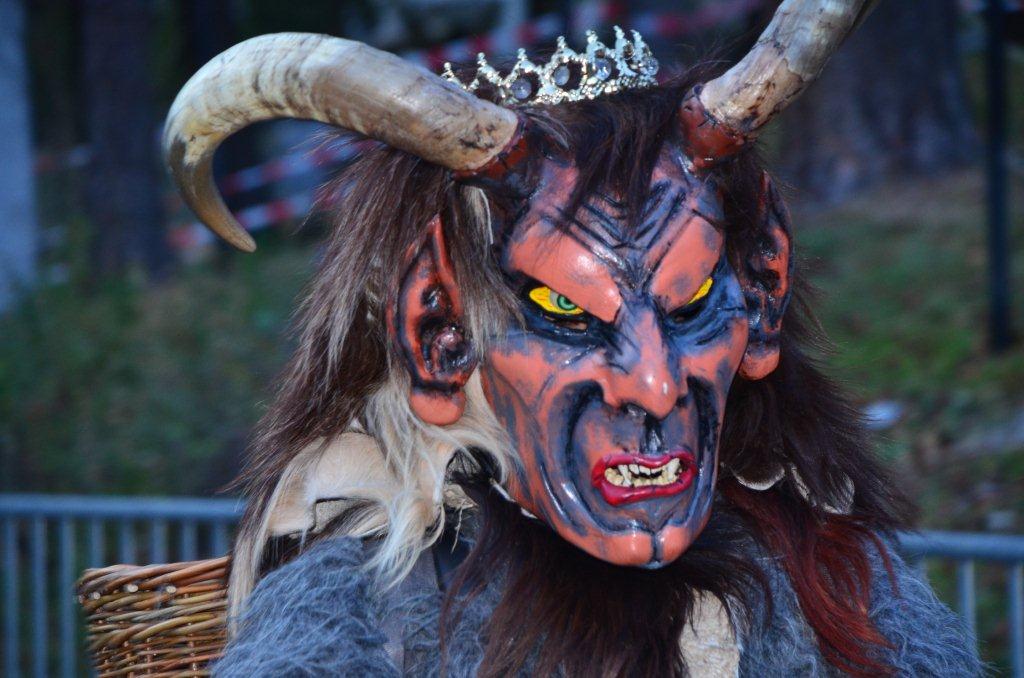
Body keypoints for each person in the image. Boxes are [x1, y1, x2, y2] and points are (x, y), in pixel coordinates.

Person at [163, 1, 982, 675]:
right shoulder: (365, 600)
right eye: (562, 308)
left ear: (762, 291)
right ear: (438, 336)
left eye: (694, 299)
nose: (654, 385)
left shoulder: (828, 573)